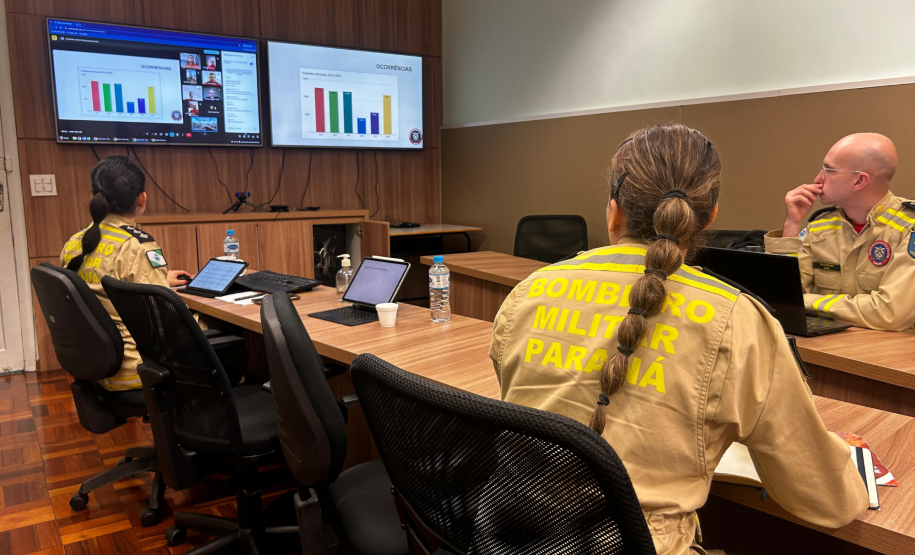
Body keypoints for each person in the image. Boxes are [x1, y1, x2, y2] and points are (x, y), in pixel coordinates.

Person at [490, 124, 867, 555]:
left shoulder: (530, 290)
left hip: (516, 533)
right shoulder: (737, 319)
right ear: (708, 217)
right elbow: (827, 502)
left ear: (614, 211)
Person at [60, 156, 194, 391]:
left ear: (93, 198)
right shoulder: (138, 246)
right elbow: (163, 322)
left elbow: (104, 288)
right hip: (137, 371)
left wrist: (161, 280)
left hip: (95, 366)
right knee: (222, 334)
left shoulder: (74, 242)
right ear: (142, 198)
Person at [765, 133, 915, 331]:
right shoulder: (821, 225)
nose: (818, 179)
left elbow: (890, 314)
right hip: (837, 348)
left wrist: (807, 302)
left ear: (859, 181)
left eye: (829, 170)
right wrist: (791, 226)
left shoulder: (908, 227)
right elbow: (779, 298)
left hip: (894, 356)